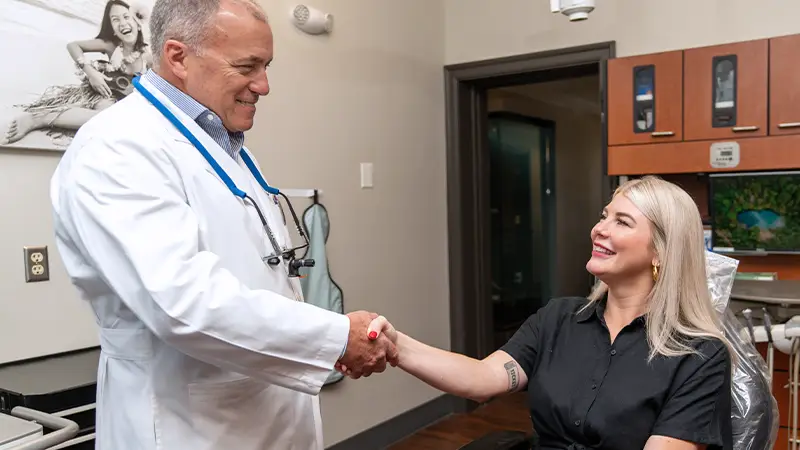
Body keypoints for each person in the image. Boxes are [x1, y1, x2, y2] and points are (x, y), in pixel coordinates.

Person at [49, 0, 396, 449]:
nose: (264, 85)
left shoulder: (221, 143)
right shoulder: (115, 148)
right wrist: (334, 336)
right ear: (177, 57)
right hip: (187, 423)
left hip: (258, 408)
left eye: (266, 65)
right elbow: (181, 302)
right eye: (247, 66)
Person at [342, 176, 735, 450]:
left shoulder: (699, 355)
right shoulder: (559, 318)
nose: (599, 229)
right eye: (603, 216)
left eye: (622, 221)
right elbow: (482, 378)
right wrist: (397, 344)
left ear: (660, 252)